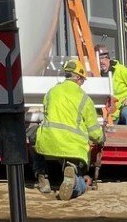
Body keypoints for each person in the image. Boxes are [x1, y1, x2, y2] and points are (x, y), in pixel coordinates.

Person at [33, 58, 104, 200]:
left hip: (48, 141)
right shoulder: (84, 99)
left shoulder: (51, 92)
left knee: (34, 139)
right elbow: (95, 133)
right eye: (82, 80)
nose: (82, 83)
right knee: (81, 184)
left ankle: (43, 179)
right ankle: (75, 180)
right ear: (78, 78)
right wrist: (101, 138)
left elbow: (46, 113)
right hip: (72, 146)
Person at [97, 48, 127, 126]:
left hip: (125, 109)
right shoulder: (95, 75)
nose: (101, 61)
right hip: (110, 115)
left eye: (103, 58)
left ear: (108, 58)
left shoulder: (120, 70)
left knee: (125, 113)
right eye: (98, 59)